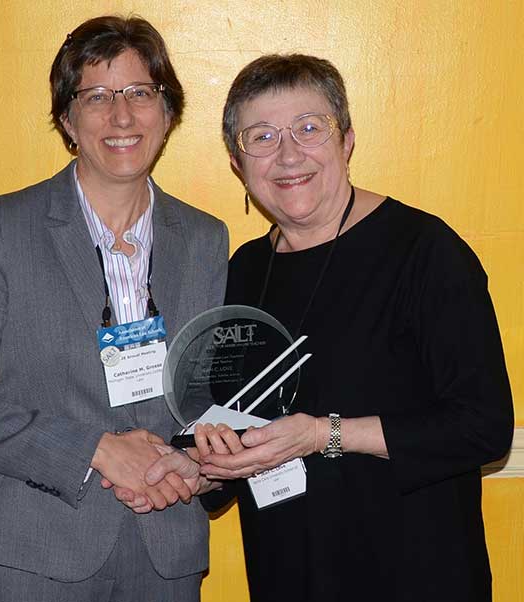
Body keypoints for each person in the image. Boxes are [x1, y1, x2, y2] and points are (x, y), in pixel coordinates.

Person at [147, 54, 514, 602]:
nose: (288, 153)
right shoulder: (242, 272)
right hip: (287, 569)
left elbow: (483, 428)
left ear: (346, 141)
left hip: (415, 571)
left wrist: (324, 434)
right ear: (237, 163)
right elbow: (233, 418)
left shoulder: (425, 253)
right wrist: (206, 462)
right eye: (262, 136)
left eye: (309, 128)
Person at [0, 15, 228, 602]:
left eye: (140, 93)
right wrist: (96, 449)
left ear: (167, 113)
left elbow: (212, 401)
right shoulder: (2, 226)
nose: (122, 116)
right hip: (28, 552)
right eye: (96, 97)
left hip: (164, 550)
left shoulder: (205, 239)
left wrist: (192, 468)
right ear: (67, 120)